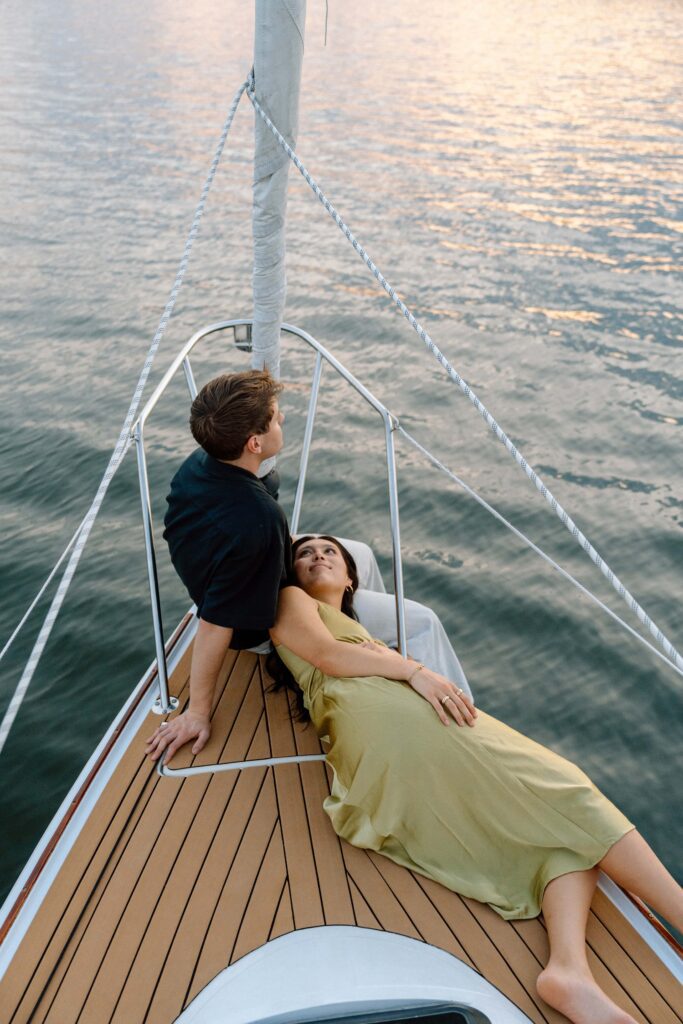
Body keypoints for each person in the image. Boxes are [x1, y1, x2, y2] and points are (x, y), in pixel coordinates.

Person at [270, 534, 683, 1024]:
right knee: (569, 790)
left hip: (398, 728)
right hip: (386, 723)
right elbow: (327, 656)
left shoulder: (360, 632)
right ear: (293, 572)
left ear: (351, 580)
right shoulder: (291, 599)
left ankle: (569, 972)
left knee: (563, 842)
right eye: (305, 553)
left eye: (330, 552)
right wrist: (415, 672)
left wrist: (406, 671)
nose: (317, 555)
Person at [146, 369, 289, 763]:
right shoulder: (259, 519)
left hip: (222, 576)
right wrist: (198, 711)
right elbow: (215, 623)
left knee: (349, 556)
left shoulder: (199, 464)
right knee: (418, 622)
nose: (282, 418)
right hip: (259, 631)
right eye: (275, 417)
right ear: (255, 443)